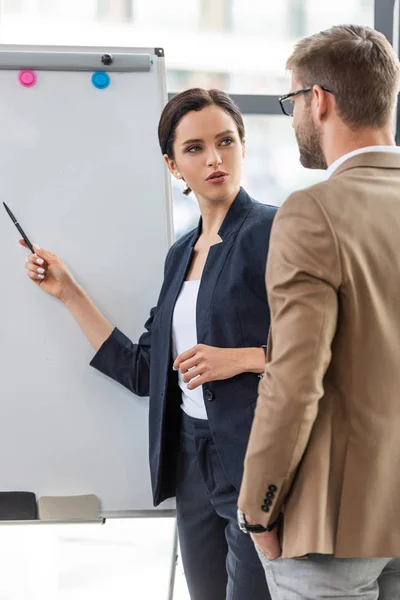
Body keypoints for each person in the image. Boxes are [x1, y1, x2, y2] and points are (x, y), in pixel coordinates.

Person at [21, 88, 276, 600]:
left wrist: (244, 359)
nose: (214, 158)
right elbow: (144, 370)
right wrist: (69, 292)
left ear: (243, 146)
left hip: (254, 460)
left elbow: (333, 348)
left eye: (226, 141)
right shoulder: (180, 252)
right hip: (191, 460)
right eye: (194, 148)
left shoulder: (276, 230)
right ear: (172, 164)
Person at [237, 24, 400, 600]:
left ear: (321, 100)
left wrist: (258, 512)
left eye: (293, 102)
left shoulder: (313, 211)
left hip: (330, 527)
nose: (294, 119)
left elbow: (295, 380)